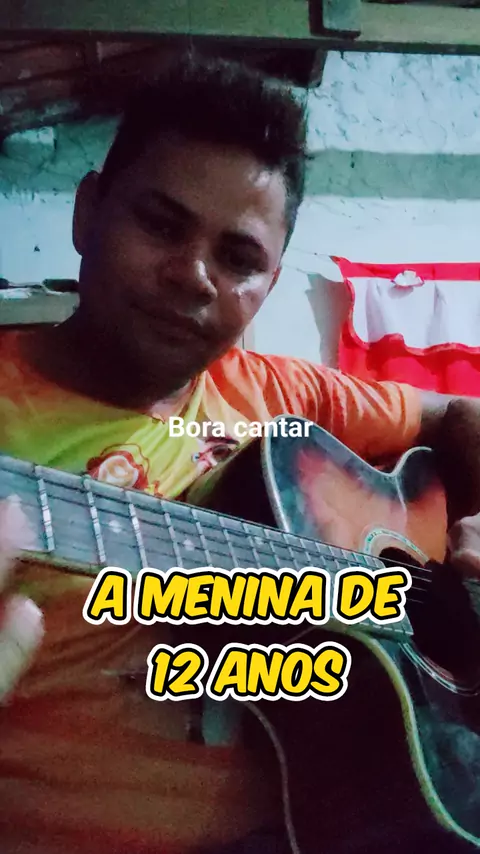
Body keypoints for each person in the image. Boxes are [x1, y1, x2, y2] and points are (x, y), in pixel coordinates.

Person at [0, 51, 480, 854]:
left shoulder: (280, 394)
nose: (194, 275)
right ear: (87, 214)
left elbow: (462, 413)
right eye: (161, 225)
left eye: (238, 259)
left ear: (270, 282)